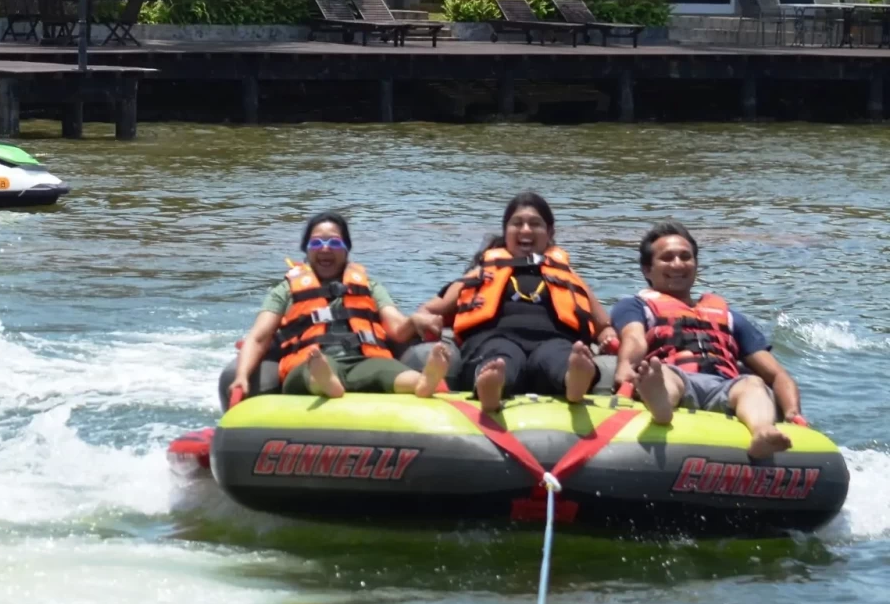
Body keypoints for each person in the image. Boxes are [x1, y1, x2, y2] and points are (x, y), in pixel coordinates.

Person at [413, 192, 615, 419]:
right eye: (517, 223)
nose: (526, 230)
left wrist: (607, 336)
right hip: (494, 339)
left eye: (535, 224)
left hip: (554, 340)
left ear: (550, 233)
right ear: (506, 231)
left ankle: (574, 379)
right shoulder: (481, 273)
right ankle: (491, 385)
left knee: (559, 356)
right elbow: (430, 309)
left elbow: (603, 324)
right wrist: (423, 319)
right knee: (500, 357)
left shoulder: (567, 275)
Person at [613, 221, 803, 459]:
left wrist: (793, 414)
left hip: (724, 386)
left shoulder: (729, 317)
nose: (678, 264)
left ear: (696, 265)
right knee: (663, 375)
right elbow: (634, 339)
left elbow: (777, 374)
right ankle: (661, 407)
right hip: (674, 375)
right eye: (667, 258)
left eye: (686, 257)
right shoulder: (635, 306)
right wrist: (624, 368)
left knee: (753, 385)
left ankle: (762, 431)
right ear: (647, 269)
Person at [229, 213, 450, 403]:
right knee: (314, 370)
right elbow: (258, 337)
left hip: (362, 360)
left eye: (334, 243)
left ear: (346, 250)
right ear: (306, 251)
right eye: (316, 243)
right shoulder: (285, 290)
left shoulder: (370, 286)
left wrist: (415, 320)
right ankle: (325, 383)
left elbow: (397, 327)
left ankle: (422, 382)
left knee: (386, 371)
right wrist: (241, 376)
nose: (325, 248)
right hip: (310, 360)